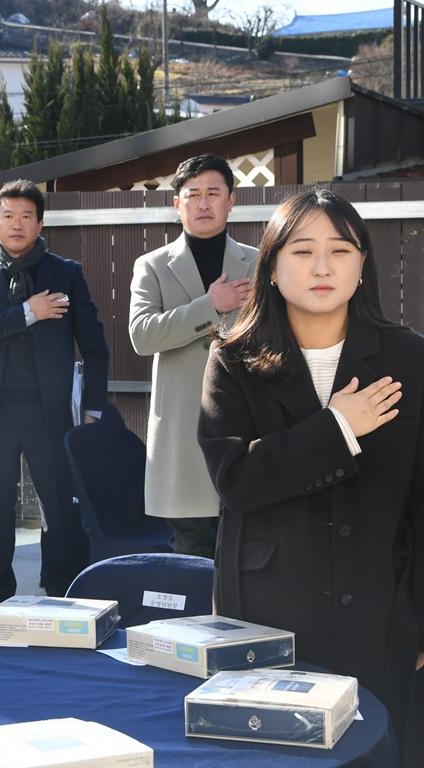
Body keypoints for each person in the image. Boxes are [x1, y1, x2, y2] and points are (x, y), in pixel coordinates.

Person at [199, 189, 424, 757]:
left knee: (378, 748)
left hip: (382, 608)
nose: (323, 266)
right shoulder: (234, 359)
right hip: (269, 612)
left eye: (340, 250)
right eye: (302, 250)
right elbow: (237, 480)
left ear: (361, 265)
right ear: (272, 266)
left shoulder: (409, 359)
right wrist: (338, 428)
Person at [0, 180, 109, 617]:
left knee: (59, 507)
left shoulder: (66, 272)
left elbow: (95, 345)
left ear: (41, 223)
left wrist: (94, 407)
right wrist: (29, 312)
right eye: (8, 216)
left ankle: (61, 591)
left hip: (50, 412)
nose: (17, 224)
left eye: (27, 216)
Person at [129, 155, 256, 557]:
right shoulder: (151, 265)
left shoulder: (258, 261)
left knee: (247, 545)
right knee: (192, 548)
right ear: (177, 203)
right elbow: (142, 336)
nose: (203, 203)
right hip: (183, 428)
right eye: (193, 194)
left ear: (231, 200)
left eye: (213, 193)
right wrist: (210, 305)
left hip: (247, 423)